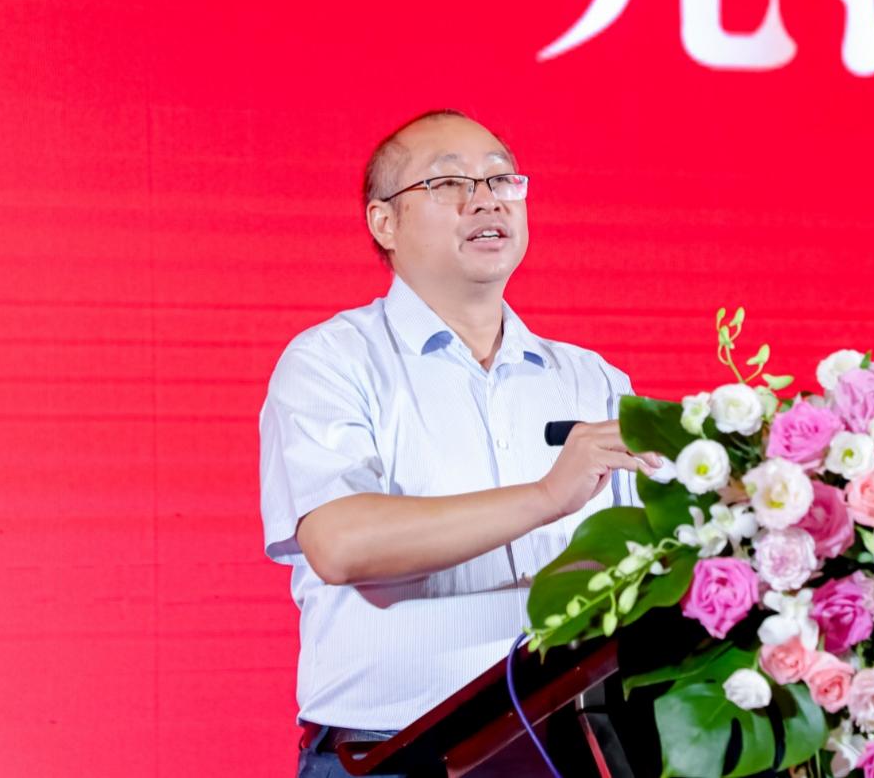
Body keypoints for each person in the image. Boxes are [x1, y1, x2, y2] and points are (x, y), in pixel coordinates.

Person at [259, 109, 663, 778]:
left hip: (568, 749)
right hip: (390, 755)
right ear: (383, 222)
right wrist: (546, 496)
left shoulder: (592, 379)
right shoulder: (333, 360)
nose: (486, 200)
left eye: (502, 180)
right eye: (448, 182)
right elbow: (340, 543)